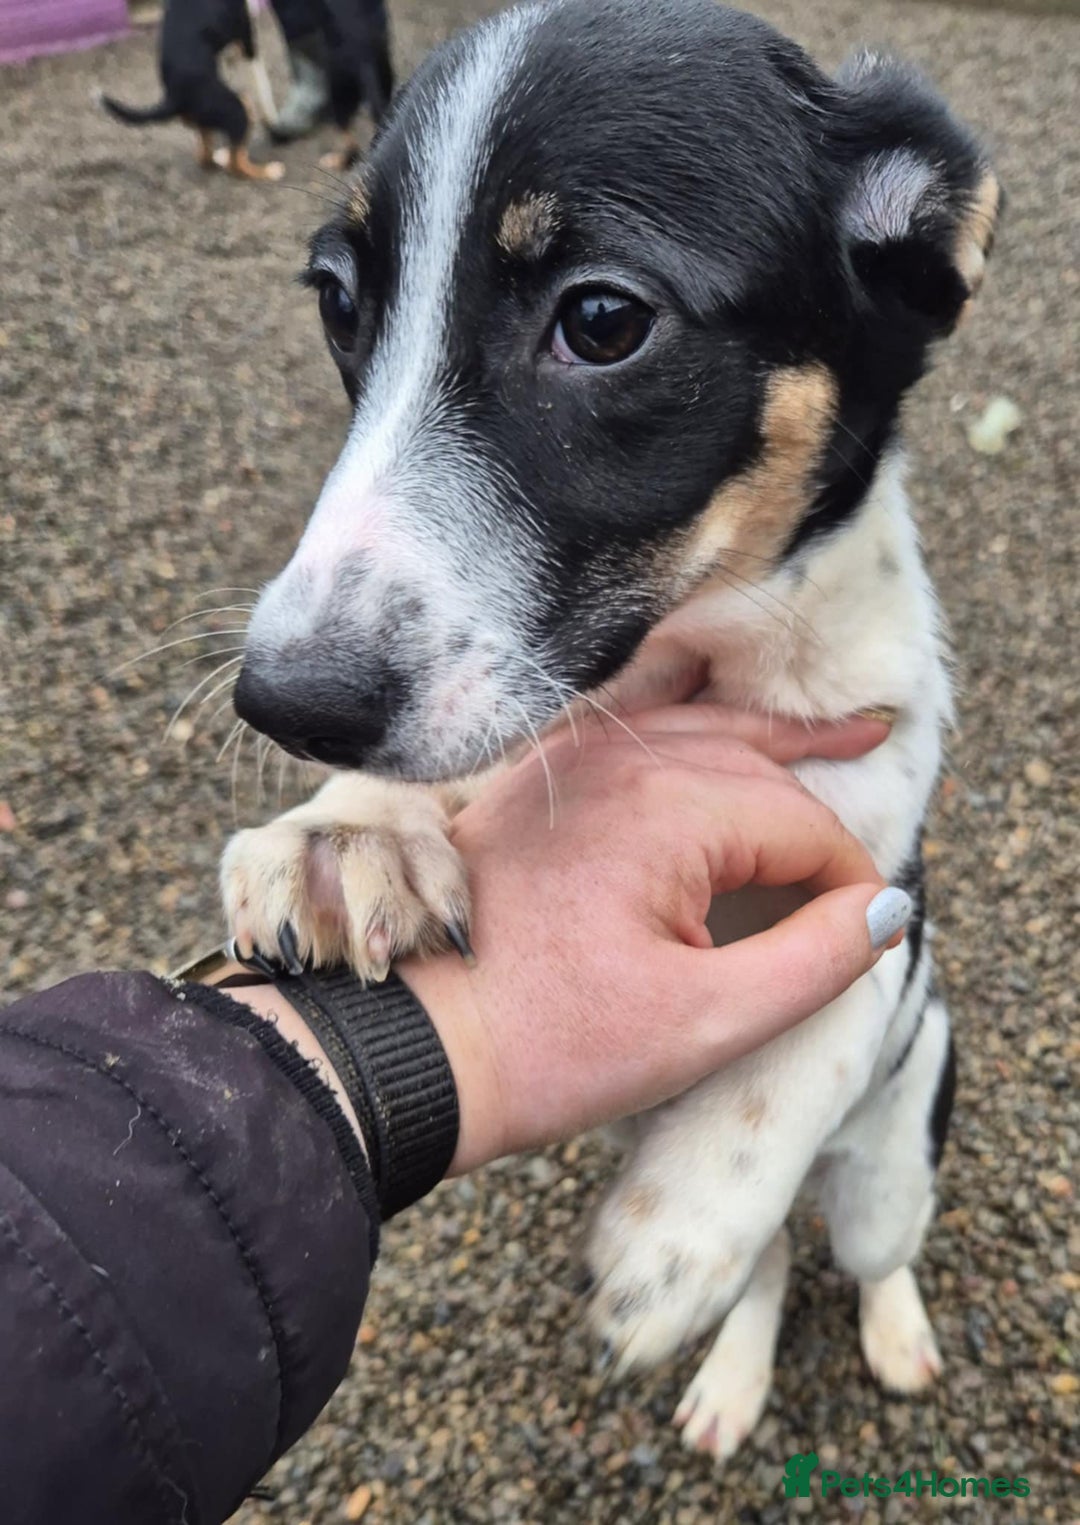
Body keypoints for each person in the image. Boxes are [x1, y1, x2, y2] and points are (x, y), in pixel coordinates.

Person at [0, 704, 910, 1525]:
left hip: (878, 1091)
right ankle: (764, 1286)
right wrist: (382, 803)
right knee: (751, 1238)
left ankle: (880, 1278)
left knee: (875, 1241)